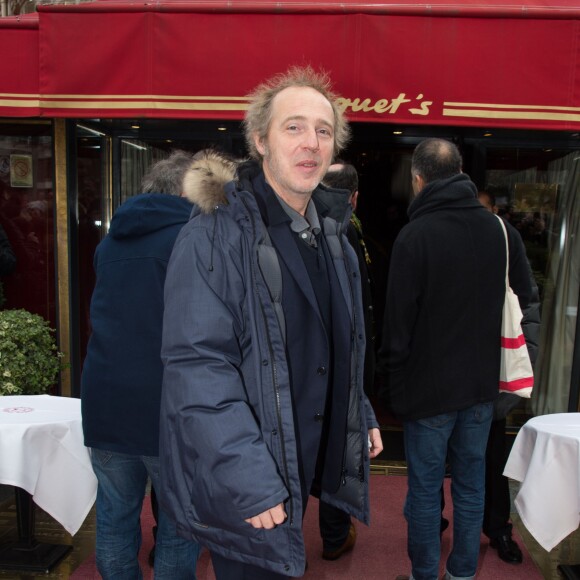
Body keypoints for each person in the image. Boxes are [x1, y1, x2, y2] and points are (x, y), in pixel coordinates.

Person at [158, 66, 383, 579]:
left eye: (323, 131)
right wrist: (247, 478)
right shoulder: (214, 235)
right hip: (247, 461)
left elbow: (332, 340)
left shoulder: (329, 234)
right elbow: (197, 366)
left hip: (297, 450)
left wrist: (359, 406)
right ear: (260, 140)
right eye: (294, 127)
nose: (311, 143)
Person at [378, 138, 532, 580]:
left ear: (419, 178)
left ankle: (425, 574)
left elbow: (397, 327)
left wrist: (390, 388)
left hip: (428, 394)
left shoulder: (415, 235)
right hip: (481, 388)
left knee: (425, 492)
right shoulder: (500, 231)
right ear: (461, 173)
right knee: (471, 486)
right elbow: (525, 304)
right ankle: (463, 572)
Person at [80, 150, 202, 579]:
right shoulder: (191, 238)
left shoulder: (110, 241)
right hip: (168, 405)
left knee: (114, 515)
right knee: (180, 524)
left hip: (106, 397)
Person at [317, 161, 377, 561]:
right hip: (339, 365)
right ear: (354, 197)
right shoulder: (343, 232)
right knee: (338, 448)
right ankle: (336, 535)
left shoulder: (302, 225)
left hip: (317, 365)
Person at [477, 191, 541, 565]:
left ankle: (498, 528)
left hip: (495, 382)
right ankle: (432, 525)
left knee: (493, 462)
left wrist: (521, 370)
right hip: (451, 383)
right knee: (437, 460)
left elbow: (528, 304)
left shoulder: (507, 241)